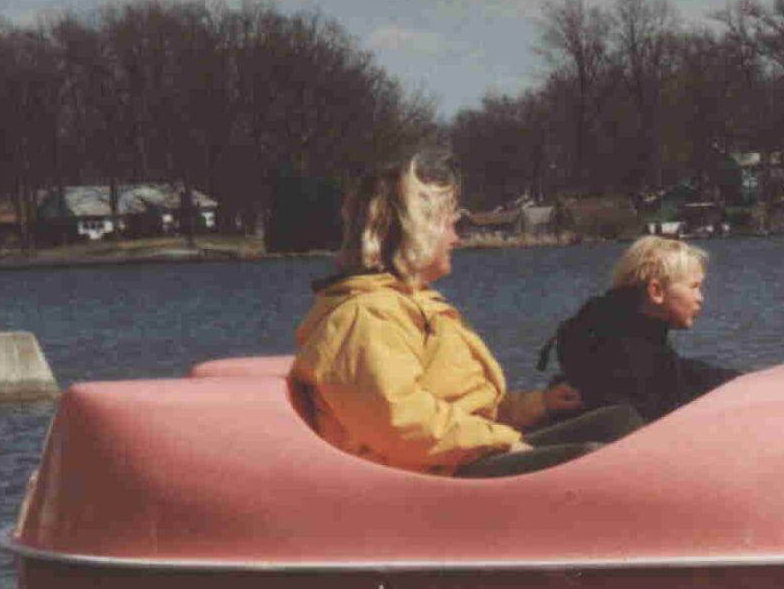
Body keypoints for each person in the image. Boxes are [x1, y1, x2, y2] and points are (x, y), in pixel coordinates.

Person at [290, 151, 643, 478]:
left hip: (459, 455)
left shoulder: (413, 304)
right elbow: (399, 423)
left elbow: (462, 406)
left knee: (619, 422)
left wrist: (537, 405)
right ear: (417, 232)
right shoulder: (365, 317)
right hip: (430, 480)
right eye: (449, 225)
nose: (457, 238)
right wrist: (500, 440)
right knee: (594, 462)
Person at [541, 236, 740, 422]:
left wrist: (734, 380)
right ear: (656, 291)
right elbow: (655, 401)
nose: (700, 298)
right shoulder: (622, 350)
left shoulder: (612, 324)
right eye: (694, 287)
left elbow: (673, 371)